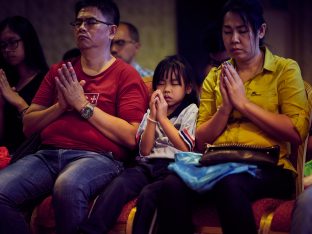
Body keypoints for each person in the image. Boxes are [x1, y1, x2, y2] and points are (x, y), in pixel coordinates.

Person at [156, 0, 309, 234]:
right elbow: (198, 141)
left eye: (242, 30)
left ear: (261, 31)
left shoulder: (285, 70)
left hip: (270, 165)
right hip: (219, 162)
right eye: (227, 31)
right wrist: (225, 109)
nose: (234, 39)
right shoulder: (215, 77)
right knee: (171, 185)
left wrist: (244, 104)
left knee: (230, 185)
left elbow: (296, 131)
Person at [0, 0, 149, 234]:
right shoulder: (60, 70)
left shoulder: (126, 75)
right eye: (78, 22)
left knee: (68, 185)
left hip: (97, 157)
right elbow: (28, 125)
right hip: (47, 154)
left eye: (90, 22)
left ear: (111, 31)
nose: (81, 27)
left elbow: (132, 137)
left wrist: (83, 105)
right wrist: (60, 106)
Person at [79, 55, 198, 234]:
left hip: (174, 168)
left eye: (174, 84)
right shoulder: (151, 110)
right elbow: (144, 150)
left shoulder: (191, 110)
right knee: (119, 185)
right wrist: (153, 116)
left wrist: (163, 119)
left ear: (188, 88)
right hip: (147, 165)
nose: (167, 90)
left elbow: (184, 147)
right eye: (161, 83)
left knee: (148, 195)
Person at [0, 16, 48, 153]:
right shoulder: (5, 81)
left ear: (27, 41)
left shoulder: (46, 79)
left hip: (33, 154)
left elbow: (41, 132)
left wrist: (19, 102)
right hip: (5, 153)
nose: (7, 50)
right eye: (3, 45)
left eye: (12, 42)